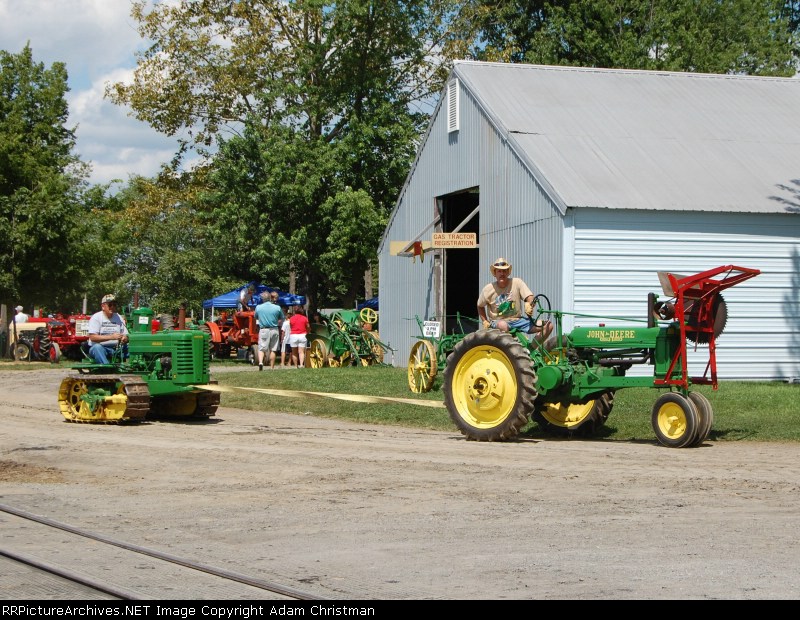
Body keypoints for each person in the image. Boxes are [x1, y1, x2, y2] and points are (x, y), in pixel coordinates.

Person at [477, 257, 553, 340]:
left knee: (548, 325)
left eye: (504, 271)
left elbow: (530, 297)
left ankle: (531, 349)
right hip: (497, 321)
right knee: (503, 325)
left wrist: (529, 304)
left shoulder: (517, 282)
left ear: (508, 272)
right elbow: (480, 306)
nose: (502, 273)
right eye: (499, 271)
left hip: (518, 320)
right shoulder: (488, 289)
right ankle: (510, 350)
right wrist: (485, 321)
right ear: (495, 273)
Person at [87, 294, 129, 364]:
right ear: (103, 306)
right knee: (97, 348)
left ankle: (141, 366)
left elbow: (126, 334)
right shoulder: (96, 317)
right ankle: (106, 367)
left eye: (114, 305)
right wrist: (112, 337)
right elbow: (93, 337)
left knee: (133, 347)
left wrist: (125, 338)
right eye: (110, 305)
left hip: (117, 349)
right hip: (101, 348)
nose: (112, 307)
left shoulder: (119, 317)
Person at [254, 291, 284, 370]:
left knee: (261, 348)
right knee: (273, 349)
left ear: (262, 299)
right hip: (274, 329)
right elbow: (281, 318)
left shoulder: (258, 307)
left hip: (264, 329)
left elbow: (256, 317)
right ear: (270, 298)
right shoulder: (277, 307)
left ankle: (260, 362)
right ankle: (272, 367)